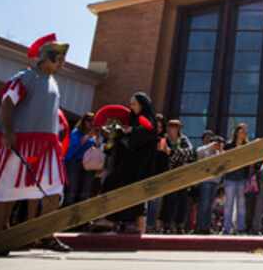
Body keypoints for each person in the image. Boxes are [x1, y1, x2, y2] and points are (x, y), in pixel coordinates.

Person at [0, 33, 71, 254]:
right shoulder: (24, 77)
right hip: (17, 140)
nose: (62, 63)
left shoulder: (53, 83)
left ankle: (45, 234)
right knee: (5, 189)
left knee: (54, 189)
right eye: (59, 58)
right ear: (47, 57)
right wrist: (7, 132)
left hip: (45, 145)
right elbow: (7, 102)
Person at [104, 92, 159, 233]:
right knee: (113, 184)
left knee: (133, 194)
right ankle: (112, 221)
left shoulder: (148, 119)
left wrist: (130, 131)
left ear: (142, 104)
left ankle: (130, 224)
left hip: (140, 166)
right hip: (128, 164)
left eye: (134, 104)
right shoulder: (134, 119)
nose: (131, 106)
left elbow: (146, 134)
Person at [159, 119, 195, 233]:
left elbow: (190, 152)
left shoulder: (184, 139)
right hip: (168, 174)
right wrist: (178, 156)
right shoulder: (164, 140)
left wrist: (173, 153)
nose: (171, 130)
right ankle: (166, 224)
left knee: (182, 200)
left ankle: (180, 225)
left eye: (174, 127)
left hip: (181, 175)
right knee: (169, 199)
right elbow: (162, 154)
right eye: (170, 127)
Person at [223, 123, 252, 235]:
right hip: (230, 178)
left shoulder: (247, 146)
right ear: (236, 133)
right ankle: (226, 228)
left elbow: (249, 163)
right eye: (241, 131)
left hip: (242, 179)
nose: (243, 133)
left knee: (241, 205)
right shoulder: (229, 145)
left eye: (244, 132)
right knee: (228, 204)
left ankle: (241, 228)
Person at [63, 112, 97, 207]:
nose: (91, 123)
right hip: (74, 163)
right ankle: (67, 211)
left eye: (93, 121)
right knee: (72, 189)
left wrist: (97, 140)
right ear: (83, 121)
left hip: (88, 165)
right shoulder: (76, 132)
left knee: (85, 190)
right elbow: (73, 148)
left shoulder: (94, 135)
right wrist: (87, 137)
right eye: (88, 120)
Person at [195, 132, 224, 234]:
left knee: (210, 206)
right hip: (206, 182)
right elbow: (198, 152)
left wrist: (220, 150)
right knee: (204, 205)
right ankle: (199, 227)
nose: (217, 145)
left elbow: (223, 165)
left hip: (215, 182)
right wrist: (209, 146)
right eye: (216, 143)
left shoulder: (219, 153)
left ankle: (206, 228)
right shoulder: (205, 151)